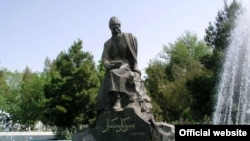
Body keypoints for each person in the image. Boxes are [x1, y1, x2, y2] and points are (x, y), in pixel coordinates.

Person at [96, 16, 142, 113]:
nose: (116, 29)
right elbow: (104, 58)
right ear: (110, 29)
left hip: (126, 65)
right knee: (110, 74)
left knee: (113, 73)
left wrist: (134, 67)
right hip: (113, 66)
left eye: (117, 26)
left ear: (120, 26)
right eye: (113, 28)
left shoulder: (128, 37)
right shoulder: (107, 43)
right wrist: (108, 64)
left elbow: (133, 53)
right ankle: (107, 104)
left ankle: (118, 100)